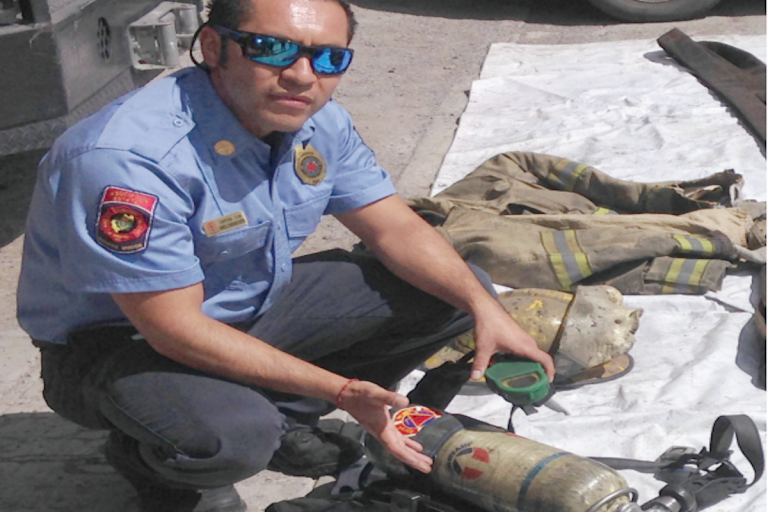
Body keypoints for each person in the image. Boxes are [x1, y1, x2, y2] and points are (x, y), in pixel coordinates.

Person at [16, 0, 554, 510]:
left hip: (241, 306)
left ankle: (285, 415)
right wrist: (342, 391)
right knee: (234, 436)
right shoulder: (129, 161)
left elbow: (394, 229)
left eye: (329, 57)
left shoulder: (317, 123)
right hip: (116, 345)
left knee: (461, 289)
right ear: (212, 46)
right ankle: (157, 466)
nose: (302, 75)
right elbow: (171, 329)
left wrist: (489, 312)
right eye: (272, 49)